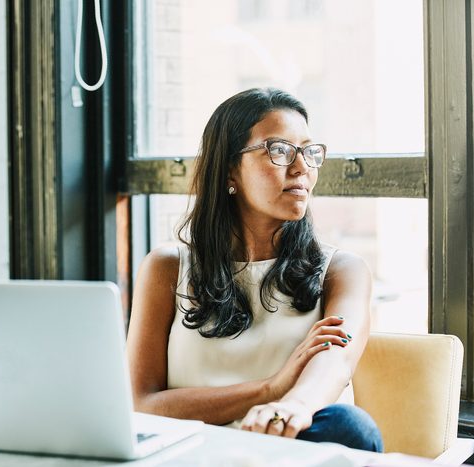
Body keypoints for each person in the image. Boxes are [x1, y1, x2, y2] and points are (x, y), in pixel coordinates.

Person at [126, 87, 383, 452]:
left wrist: (292, 404)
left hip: (286, 448)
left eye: (309, 152)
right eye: (279, 150)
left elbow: (336, 361)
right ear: (230, 167)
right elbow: (141, 405)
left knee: (348, 426)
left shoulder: (341, 271)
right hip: (193, 456)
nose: (302, 167)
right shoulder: (167, 268)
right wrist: (270, 389)